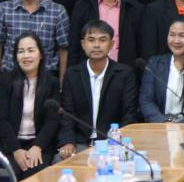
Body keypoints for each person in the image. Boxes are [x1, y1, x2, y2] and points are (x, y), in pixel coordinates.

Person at [57, 20, 138, 159]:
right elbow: (67, 114)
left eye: (102, 40)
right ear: (83, 44)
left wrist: (118, 140)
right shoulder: (72, 74)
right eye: (91, 40)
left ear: (111, 44)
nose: (96, 45)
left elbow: (129, 114)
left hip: (112, 143)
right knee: (59, 162)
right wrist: (68, 142)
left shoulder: (125, 74)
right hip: (79, 143)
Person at [0, 33, 61, 179]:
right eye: (21, 51)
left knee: (35, 173)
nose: (26, 56)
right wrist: (16, 150)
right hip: (11, 145)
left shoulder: (52, 83)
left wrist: (38, 146)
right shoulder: (6, 81)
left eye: (31, 50)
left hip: (39, 144)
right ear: (16, 56)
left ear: (40, 54)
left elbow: (52, 121)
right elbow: (1, 119)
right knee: (10, 174)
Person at [69, 0, 143, 68]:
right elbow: (74, 47)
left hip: (125, 73)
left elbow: (141, 48)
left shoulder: (135, 9)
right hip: (88, 73)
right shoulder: (82, 7)